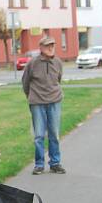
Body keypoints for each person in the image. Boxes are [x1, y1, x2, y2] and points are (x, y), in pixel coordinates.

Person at [22, 36, 65, 175]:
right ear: (40, 48)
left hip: (54, 101)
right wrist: (31, 97)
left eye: (52, 45)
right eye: (47, 46)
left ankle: (55, 163)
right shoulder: (32, 63)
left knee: (54, 134)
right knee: (39, 135)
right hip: (37, 103)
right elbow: (25, 83)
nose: (51, 48)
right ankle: (39, 164)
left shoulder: (58, 62)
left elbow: (58, 79)